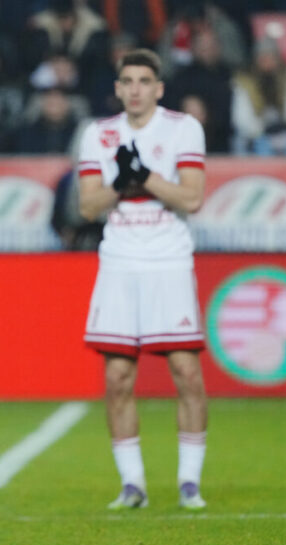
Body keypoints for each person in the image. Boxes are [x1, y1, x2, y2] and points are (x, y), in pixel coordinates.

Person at [77, 48, 209, 511]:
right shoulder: (98, 133)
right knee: (117, 377)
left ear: (159, 88)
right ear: (117, 88)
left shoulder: (183, 128)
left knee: (186, 372)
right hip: (119, 262)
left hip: (169, 261)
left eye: (144, 81)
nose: (135, 90)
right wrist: (120, 182)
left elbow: (191, 198)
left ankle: (189, 481)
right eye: (128, 81)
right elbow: (87, 206)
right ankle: (132, 484)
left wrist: (144, 175)